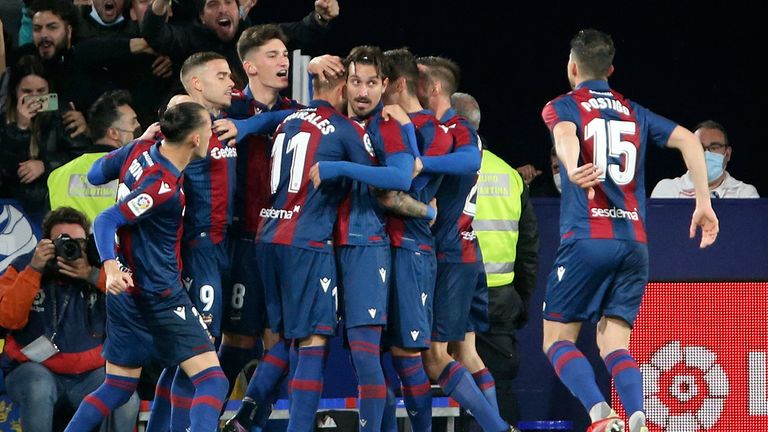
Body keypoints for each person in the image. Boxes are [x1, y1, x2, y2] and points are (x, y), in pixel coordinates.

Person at [540, 29, 719, 432]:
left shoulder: (564, 105)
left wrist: (570, 167)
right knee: (613, 344)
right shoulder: (632, 110)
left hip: (588, 239)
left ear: (572, 67)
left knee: (557, 340)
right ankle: (637, 415)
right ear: (611, 69)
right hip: (634, 243)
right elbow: (691, 141)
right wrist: (703, 204)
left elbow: (565, 136)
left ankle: (601, 415)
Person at [254, 68, 414, 432]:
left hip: (268, 235)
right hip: (309, 240)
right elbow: (393, 180)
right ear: (343, 88)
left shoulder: (288, 120)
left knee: (284, 342)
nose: (360, 92)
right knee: (315, 342)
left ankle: (248, 417)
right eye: (355, 84)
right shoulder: (345, 128)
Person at [63, 102, 229, 432]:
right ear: (195, 138)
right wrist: (109, 265)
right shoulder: (162, 185)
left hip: (125, 295)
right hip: (160, 293)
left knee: (117, 387)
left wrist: (134, 146)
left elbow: (96, 174)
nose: (214, 136)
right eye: (210, 129)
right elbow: (106, 219)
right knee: (213, 382)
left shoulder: (138, 149)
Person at [416, 55, 514, 432]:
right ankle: (496, 424)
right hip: (471, 255)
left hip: (451, 256)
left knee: (435, 359)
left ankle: (496, 427)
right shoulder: (471, 142)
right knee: (467, 353)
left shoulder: (450, 138)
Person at [0, 206, 139, 432]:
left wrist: (91, 275)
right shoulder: (22, 267)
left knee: (126, 397)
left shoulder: (102, 268)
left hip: (89, 377)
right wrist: (34, 270)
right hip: (32, 371)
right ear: (45, 244)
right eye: (61, 242)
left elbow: (134, 305)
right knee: (39, 386)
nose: (69, 248)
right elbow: (8, 320)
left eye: (78, 242)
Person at [452, 92, 540, 427]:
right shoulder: (509, 175)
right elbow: (528, 252)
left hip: (452, 294)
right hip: (500, 301)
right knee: (497, 386)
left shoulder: (446, 167)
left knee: (447, 383)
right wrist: (522, 300)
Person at [141, 0, 339, 87]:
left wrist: (320, 17)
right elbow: (154, 32)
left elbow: (298, 31)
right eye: (213, 4)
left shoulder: (253, 37)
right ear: (201, 17)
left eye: (228, 2)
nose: (222, 9)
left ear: (239, 11)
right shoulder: (189, 39)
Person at [0, 54, 89, 220]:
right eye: (27, 92)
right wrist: (21, 128)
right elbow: (7, 169)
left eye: (41, 91)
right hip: (12, 206)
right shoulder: (3, 119)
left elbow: (82, 158)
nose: (35, 98)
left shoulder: (63, 116)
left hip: (56, 204)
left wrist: (45, 164)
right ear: (15, 91)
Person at [47, 89, 145, 221]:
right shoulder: (137, 172)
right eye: (133, 121)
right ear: (114, 133)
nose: (138, 126)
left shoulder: (57, 176)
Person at [651, 120, 759, 198]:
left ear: (727, 154)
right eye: (699, 147)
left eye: (714, 147)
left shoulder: (745, 194)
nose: (706, 154)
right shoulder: (667, 190)